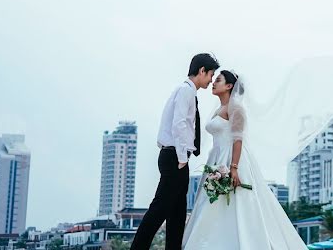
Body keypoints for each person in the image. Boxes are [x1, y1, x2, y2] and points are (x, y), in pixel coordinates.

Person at [183, 69, 308, 250]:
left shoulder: (236, 108)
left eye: (218, 80)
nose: (214, 83)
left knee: (238, 203)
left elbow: (238, 139)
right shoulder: (219, 109)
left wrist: (233, 167)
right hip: (216, 159)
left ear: (229, 86)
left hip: (232, 158)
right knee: (212, 205)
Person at [131, 53, 220, 250]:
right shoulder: (185, 91)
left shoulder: (187, 91)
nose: (211, 80)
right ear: (201, 71)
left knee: (177, 214)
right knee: (160, 209)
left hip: (177, 156)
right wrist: (181, 158)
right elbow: (179, 124)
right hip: (175, 156)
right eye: (210, 75)